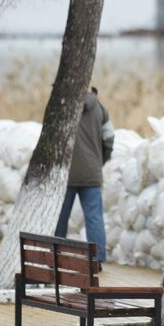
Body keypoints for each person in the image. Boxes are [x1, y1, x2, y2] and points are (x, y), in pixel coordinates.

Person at [56, 87, 114, 260]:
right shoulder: (100, 108)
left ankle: (56, 254)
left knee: (60, 216)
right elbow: (109, 138)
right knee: (94, 217)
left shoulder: (63, 106)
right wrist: (100, 160)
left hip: (66, 173)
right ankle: (98, 257)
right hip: (92, 172)